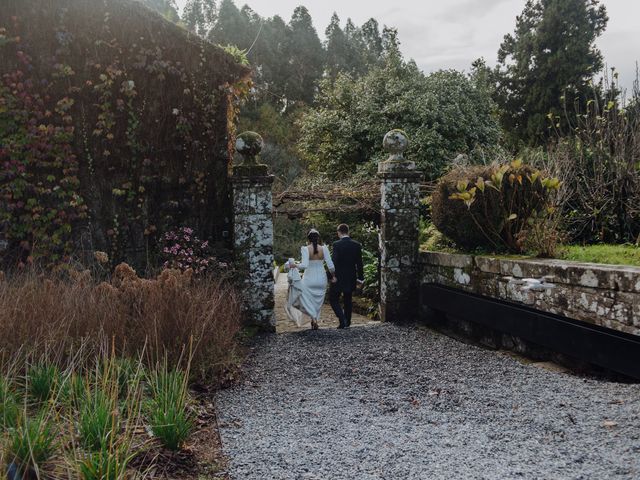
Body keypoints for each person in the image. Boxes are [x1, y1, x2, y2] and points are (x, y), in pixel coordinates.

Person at [285, 229, 336, 330]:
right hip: (321, 279)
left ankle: (314, 318)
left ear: (308, 239)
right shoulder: (324, 248)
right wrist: (333, 276)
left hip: (309, 278)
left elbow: (304, 266)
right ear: (318, 238)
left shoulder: (305, 249)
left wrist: (295, 265)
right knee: (318, 301)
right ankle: (315, 318)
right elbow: (331, 266)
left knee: (309, 300)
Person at [330, 224, 364, 329]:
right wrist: (360, 278)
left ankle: (342, 320)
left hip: (339, 277)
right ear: (348, 232)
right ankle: (347, 321)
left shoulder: (336, 244)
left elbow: (334, 262)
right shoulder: (356, 245)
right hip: (351, 276)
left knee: (333, 299)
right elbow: (359, 263)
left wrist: (331, 276)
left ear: (339, 232)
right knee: (348, 299)